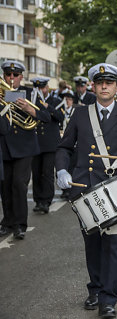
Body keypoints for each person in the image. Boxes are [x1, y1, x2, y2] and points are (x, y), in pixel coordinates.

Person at [55, 63, 117, 319]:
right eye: (99, 83)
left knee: (115, 245)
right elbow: (64, 148)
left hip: (116, 190)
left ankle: (108, 299)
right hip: (86, 189)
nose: (104, 87)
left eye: (109, 83)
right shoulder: (80, 114)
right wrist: (62, 170)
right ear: (93, 86)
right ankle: (95, 288)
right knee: (93, 243)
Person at [0, 60, 51, 239]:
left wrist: (30, 109)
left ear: (21, 77)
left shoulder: (32, 93)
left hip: (25, 147)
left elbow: (46, 117)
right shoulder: (0, 93)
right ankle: (7, 222)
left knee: (19, 186)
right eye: (8, 75)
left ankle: (20, 225)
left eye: (15, 75)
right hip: (4, 146)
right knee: (5, 187)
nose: (11, 78)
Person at [30, 77, 64, 214]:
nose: (40, 91)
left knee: (47, 173)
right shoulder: (31, 102)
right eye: (37, 88)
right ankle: (38, 201)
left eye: (42, 88)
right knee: (36, 173)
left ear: (47, 88)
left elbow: (60, 117)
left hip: (50, 144)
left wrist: (47, 107)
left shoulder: (55, 101)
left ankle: (46, 201)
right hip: (35, 143)